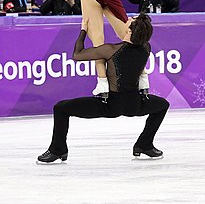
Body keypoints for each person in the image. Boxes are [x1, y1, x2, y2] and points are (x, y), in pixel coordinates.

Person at [37, 13, 170, 163]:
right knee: (163, 105)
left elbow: (77, 54)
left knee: (61, 108)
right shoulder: (146, 48)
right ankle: (144, 144)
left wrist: (84, 30)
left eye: (130, 21)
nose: (127, 19)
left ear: (130, 31)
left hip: (110, 105)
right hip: (135, 104)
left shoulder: (111, 50)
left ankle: (57, 150)